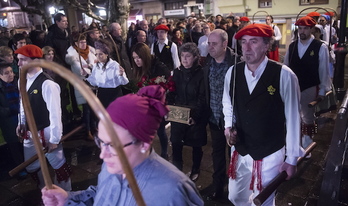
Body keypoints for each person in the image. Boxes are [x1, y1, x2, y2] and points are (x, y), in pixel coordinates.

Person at [41, 85, 204, 206]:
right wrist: (68, 199)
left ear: (144, 144)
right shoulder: (111, 165)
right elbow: (101, 196)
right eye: (101, 142)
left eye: (112, 145)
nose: (102, 155)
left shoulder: (172, 191)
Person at [223, 23, 303, 206]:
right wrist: (228, 128)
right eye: (243, 42)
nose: (247, 47)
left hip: (269, 151)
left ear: (267, 45)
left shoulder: (284, 75)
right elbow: (227, 103)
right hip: (241, 149)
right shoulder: (232, 72)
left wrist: (291, 159)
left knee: (263, 200)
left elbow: (293, 118)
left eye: (253, 41)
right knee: (235, 197)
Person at [15, 45, 72, 191]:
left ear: (35, 61)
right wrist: (21, 123)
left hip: (46, 132)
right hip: (29, 133)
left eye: (23, 60)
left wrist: (54, 139)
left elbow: (55, 114)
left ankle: (65, 195)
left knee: (59, 166)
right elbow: (22, 105)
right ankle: (44, 190)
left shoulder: (47, 84)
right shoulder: (22, 80)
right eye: (18, 60)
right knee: (32, 166)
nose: (18, 64)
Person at [284, 16, 331, 149]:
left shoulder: (320, 46)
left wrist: (322, 90)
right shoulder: (292, 46)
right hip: (293, 87)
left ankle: (308, 141)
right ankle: (295, 143)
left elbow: (323, 70)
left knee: (308, 117)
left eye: (305, 28)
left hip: (310, 86)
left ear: (311, 29)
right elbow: (286, 67)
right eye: (300, 28)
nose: (302, 31)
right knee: (293, 116)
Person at [203, 29, 239, 201]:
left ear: (225, 44)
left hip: (233, 120)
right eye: (209, 43)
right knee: (217, 154)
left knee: (235, 155)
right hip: (215, 118)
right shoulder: (208, 63)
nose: (210, 47)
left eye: (214, 44)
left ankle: (236, 190)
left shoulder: (237, 63)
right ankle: (218, 186)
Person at [167, 43, 208, 181]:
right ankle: (177, 170)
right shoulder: (177, 72)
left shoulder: (201, 73)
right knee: (176, 142)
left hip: (195, 114)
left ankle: (196, 168)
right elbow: (172, 91)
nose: (184, 59)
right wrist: (167, 107)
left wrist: (195, 116)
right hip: (179, 113)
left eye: (188, 56)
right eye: (182, 56)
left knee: (196, 145)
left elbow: (202, 97)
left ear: (195, 57)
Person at [130, 42, 170, 158]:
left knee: (160, 130)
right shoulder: (139, 69)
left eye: (139, 57)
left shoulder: (159, 67)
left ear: (145, 56)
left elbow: (167, 83)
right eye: (134, 58)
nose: (137, 61)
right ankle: (148, 153)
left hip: (157, 104)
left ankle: (164, 153)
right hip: (145, 105)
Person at [66, 34, 98, 138]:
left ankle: (95, 127)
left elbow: (97, 66)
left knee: (93, 107)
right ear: (76, 44)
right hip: (83, 84)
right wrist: (90, 69)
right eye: (81, 42)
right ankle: (88, 130)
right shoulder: (73, 56)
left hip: (93, 83)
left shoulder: (91, 52)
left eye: (84, 42)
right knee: (86, 109)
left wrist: (89, 66)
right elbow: (80, 71)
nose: (84, 44)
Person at [83, 39, 129, 108]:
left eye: (101, 54)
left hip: (114, 94)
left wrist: (121, 75)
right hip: (102, 94)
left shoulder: (114, 65)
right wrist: (86, 75)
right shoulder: (96, 66)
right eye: (96, 54)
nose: (98, 56)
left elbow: (124, 82)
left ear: (107, 54)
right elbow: (94, 82)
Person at [0, 63, 27, 178]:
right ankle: (21, 167)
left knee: (26, 142)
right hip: (9, 121)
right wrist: (11, 110)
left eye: (11, 71)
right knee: (14, 145)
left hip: (22, 117)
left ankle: (31, 164)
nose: (10, 75)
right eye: (6, 73)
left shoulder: (19, 83)